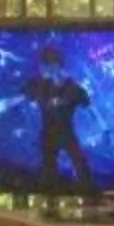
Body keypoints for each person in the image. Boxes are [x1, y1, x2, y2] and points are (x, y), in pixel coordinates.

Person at [24, 48, 94, 190]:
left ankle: (87, 192)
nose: (41, 69)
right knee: (48, 171)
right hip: (48, 134)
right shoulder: (39, 84)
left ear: (54, 66)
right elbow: (22, 95)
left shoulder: (72, 86)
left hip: (66, 132)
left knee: (80, 165)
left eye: (44, 66)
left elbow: (86, 102)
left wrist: (68, 95)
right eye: (41, 66)